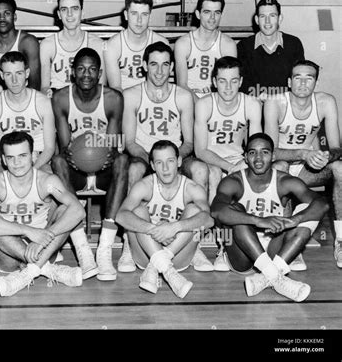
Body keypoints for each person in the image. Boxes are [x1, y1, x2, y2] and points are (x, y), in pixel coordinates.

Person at [123, 41, 214, 271]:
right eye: (154, 64)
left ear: (172, 67)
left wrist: (173, 159)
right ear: (144, 65)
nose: (159, 71)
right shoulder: (131, 95)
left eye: (165, 65)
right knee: (133, 169)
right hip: (145, 157)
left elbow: (190, 142)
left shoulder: (183, 96)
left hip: (175, 157)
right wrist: (152, 161)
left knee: (202, 169)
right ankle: (128, 242)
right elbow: (129, 141)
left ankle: (196, 245)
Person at [210, 133, 329, 302]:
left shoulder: (285, 181)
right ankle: (276, 276)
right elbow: (216, 210)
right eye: (252, 153)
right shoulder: (234, 181)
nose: (258, 158)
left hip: (274, 249)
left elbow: (322, 204)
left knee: (307, 211)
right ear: (245, 157)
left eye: (264, 152)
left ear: (273, 156)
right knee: (236, 212)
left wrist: (294, 220)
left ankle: (268, 277)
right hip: (242, 253)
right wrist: (258, 220)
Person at [51, 47, 131, 281]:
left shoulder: (113, 98)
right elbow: (65, 148)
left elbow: (115, 144)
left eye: (92, 69)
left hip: (104, 166)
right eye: (81, 69)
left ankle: (104, 249)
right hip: (75, 168)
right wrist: (79, 155)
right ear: (72, 72)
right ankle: (82, 248)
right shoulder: (61, 98)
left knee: (124, 160)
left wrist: (109, 155)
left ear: (100, 73)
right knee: (57, 161)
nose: (86, 74)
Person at [0, 131, 85, 297]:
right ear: (4, 160)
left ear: (33, 156)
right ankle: (46, 269)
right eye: (11, 157)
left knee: (66, 210)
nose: (17, 162)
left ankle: (28, 273)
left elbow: (78, 210)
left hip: (44, 245)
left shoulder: (47, 182)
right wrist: (28, 231)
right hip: (8, 253)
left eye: (22, 155)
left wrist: (43, 238)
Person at [264, 60, 342, 269]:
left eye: (309, 78)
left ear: (316, 82)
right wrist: (303, 153)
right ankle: (289, 244)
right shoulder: (275, 103)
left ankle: (341, 239)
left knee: (340, 168)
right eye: (298, 77)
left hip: (308, 169)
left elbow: (336, 147)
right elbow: (268, 153)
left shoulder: (326, 102)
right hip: (280, 166)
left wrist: (326, 157)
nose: (303, 83)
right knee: (282, 167)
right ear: (289, 82)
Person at [116, 140, 214, 298]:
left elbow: (208, 220)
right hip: (145, 252)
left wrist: (175, 227)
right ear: (153, 166)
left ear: (179, 161)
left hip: (177, 253)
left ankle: (156, 267)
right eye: (159, 163)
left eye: (170, 161)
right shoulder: (144, 185)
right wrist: (155, 230)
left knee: (195, 210)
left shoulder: (192, 188)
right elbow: (121, 216)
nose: (166, 168)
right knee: (138, 210)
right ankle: (168, 272)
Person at [194, 56, 262, 270]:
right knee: (214, 173)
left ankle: (243, 241)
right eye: (222, 81)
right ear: (214, 81)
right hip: (210, 159)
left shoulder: (251, 104)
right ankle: (218, 243)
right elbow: (200, 150)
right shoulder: (204, 104)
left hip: (238, 160)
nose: (228, 87)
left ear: (241, 81)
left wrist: (242, 164)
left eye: (233, 81)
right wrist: (229, 167)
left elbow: (256, 147)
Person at [0, 51, 56, 179]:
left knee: (48, 178)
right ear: (1, 75)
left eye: (19, 73)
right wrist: (12, 168)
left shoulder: (44, 102)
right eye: (8, 74)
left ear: (27, 73)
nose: (14, 80)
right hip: (7, 159)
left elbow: (49, 148)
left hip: (37, 158)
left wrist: (32, 169)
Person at [40, 0, 106, 94]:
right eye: (64, 9)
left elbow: (102, 87)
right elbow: (44, 88)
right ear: (59, 14)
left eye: (74, 9)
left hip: (86, 100)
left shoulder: (97, 44)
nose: (69, 14)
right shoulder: (47, 45)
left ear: (82, 12)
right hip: (58, 99)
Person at [237, 0, 304, 98]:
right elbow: (240, 82)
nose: (267, 21)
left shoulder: (293, 44)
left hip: (285, 105)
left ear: (280, 18)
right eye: (263, 16)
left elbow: (299, 78)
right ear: (257, 20)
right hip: (255, 105)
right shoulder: (244, 46)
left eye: (272, 16)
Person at [174, 0, 237, 100]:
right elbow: (182, 85)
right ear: (198, 14)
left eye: (217, 13)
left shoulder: (228, 45)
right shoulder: (183, 43)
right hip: (189, 101)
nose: (212, 18)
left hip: (217, 101)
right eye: (207, 12)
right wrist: (202, 106)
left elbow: (230, 84)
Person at [104, 0, 168, 92]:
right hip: (124, 100)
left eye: (144, 14)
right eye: (134, 14)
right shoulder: (113, 45)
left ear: (150, 17)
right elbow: (116, 88)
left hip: (152, 98)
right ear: (126, 15)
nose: (139, 20)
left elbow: (162, 85)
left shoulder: (161, 42)